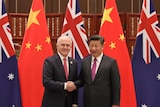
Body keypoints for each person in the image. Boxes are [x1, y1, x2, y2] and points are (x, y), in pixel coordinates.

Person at [75, 35, 120, 107]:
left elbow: (116, 85)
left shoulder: (111, 62)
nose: (93, 48)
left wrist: (115, 104)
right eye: (91, 46)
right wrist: (72, 85)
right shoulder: (84, 61)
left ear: (102, 47)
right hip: (88, 102)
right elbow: (82, 80)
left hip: (105, 102)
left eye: (96, 46)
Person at [42, 36, 78, 107]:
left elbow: (74, 83)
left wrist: (75, 102)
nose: (65, 47)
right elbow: (46, 81)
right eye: (62, 45)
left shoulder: (74, 62)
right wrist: (65, 86)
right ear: (57, 46)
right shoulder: (50, 61)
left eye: (67, 45)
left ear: (70, 47)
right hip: (53, 103)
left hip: (69, 103)